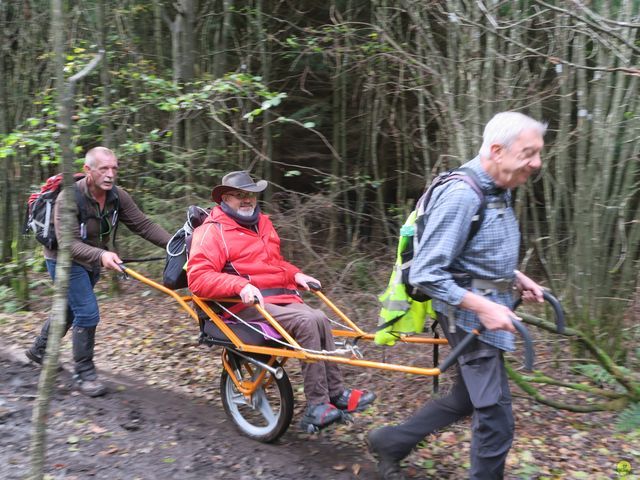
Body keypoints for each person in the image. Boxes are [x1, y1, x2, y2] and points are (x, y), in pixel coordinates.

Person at [367, 112, 547, 480]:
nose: (537, 163)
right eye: (529, 152)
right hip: (468, 319)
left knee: (467, 398)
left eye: (538, 152)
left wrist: (516, 277)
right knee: (496, 420)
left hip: (482, 313)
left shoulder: (500, 188)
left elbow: (475, 251)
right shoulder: (462, 195)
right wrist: (484, 306)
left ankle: (392, 441)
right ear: (497, 150)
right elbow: (428, 273)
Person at [186, 171, 376, 430]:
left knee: (319, 318)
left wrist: (296, 274)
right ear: (225, 198)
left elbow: (273, 266)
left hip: (278, 299)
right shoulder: (211, 232)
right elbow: (198, 278)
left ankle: (335, 394)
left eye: (251, 195)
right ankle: (316, 406)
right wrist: (240, 285)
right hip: (240, 307)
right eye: (239, 195)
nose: (247, 200)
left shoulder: (263, 223)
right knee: (308, 320)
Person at [25, 147, 171, 397]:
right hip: (63, 260)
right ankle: (84, 374)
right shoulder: (68, 199)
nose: (110, 174)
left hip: (92, 259)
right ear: (88, 170)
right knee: (87, 313)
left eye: (114, 168)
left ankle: (39, 350)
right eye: (104, 168)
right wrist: (102, 255)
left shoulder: (117, 197)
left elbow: (143, 226)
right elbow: (69, 244)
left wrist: (177, 244)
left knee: (71, 310)